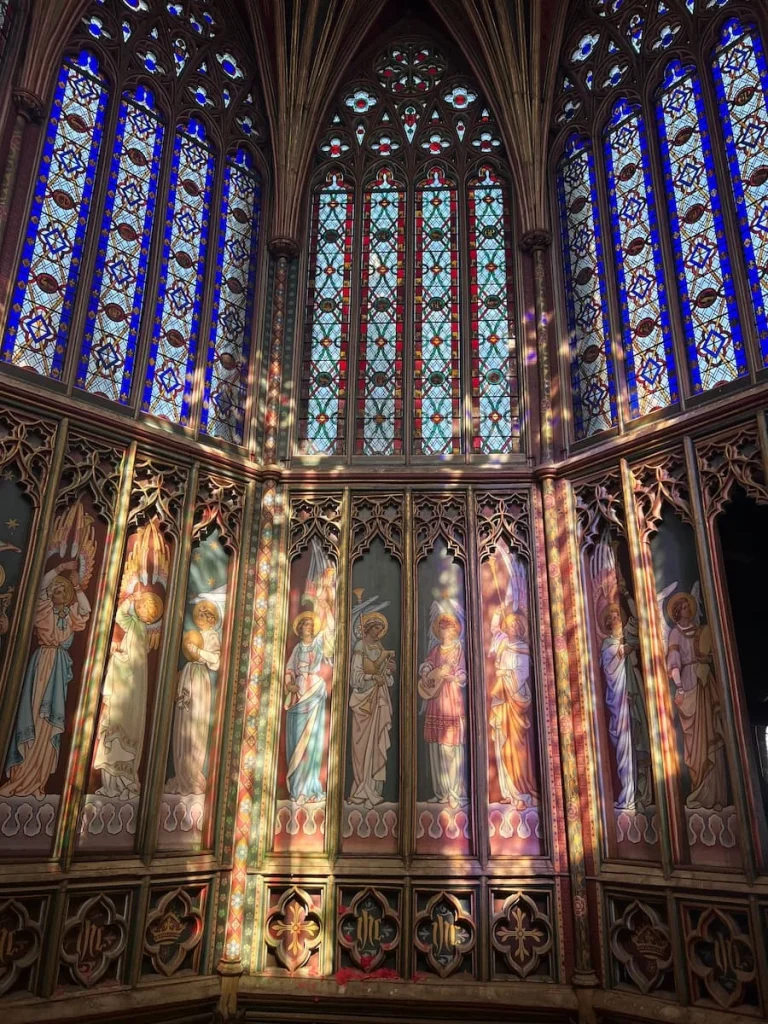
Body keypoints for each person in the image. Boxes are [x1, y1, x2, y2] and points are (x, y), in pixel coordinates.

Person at [1, 563, 90, 798]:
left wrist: (78, 587)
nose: (56, 594)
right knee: (32, 713)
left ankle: (38, 780)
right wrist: (59, 568)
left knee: (50, 722)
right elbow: (40, 588)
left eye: (61, 591)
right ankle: (21, 774)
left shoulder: (70, 614)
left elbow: (86, 610)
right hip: (42, 663)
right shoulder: (44, 609)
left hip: (59, 668)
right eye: (55, 591)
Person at [93, 583, 164, 800]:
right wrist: (131, 600)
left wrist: (116, 656)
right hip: (124, 688)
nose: (140, 608)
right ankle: (110, 785)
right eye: (141, 605)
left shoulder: (139, 631)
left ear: (150, 617)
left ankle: (125, 783)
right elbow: (121, 616)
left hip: (128, 690)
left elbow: (133, 663)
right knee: (113, 731)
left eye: (145, 607)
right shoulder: (134, 625)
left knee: (121, 732)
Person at [666, 592, 729, 810]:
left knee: (713, 731)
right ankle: (699, 790)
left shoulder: (701, 629)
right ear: (676, 612)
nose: (687, 609)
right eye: (682, 607)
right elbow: (673, 664)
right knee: (695, 744)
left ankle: (717, 795)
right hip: (689, 682)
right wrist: (680, 689)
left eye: (688, 606)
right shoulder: (675, 634)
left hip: (704, 681)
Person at [167, 600, 221, 796]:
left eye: (207, 614)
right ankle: (181, 774)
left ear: (214, 620)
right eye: (200, 613)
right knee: (183, 723)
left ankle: (192, 774)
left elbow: (216, 660)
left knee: (196, 724)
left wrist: (197, 651)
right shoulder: (191, 635)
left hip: (200, 679)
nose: (203, 617)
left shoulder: (212, 637)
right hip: (188, 675)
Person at [489, 609, 538, 809]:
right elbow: (493, 629)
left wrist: (505, 673)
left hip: (515, 700)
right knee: (501, 742)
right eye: (509, 624)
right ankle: (509, 791)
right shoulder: (503, 643)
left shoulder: (523, 650)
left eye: (516, 625)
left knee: (516, 747)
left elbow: (522, 674)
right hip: (503, 702)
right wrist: (497, 614)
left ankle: (522, 793)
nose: (512, 627)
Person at [418, 613, 467, 808]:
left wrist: (454, 678)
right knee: (436, 746)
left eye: (449, 628)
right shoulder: (435, 649)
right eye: (442, 628)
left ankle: (454, 791)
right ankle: (441, 792)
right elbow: (428, 665)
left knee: (450, 746)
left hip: (451, 698)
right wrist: (425, 672)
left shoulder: (459, 650)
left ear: (455, 630)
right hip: (436, 699)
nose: (445, 631)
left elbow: (462, 673)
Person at [348, 611, 394, 808]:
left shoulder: (379, 646)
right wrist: (372, 677)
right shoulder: (360, 646)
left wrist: (387, 672)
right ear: (368, 628)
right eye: (376, 628)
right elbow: (355, 677)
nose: (379, 632)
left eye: (381, 629)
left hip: (378, 698)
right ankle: (361, 788)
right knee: (361, 747)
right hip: (362, 702)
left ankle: (373, 790)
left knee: (376, 744)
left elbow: (384, 676)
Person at [284, 610, 330, 803]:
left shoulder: (318, 647)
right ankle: (298, 788)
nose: (307, 628)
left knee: (313, 742)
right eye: (304, 625)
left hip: (315, 691)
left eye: (310, 625)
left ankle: (311, 786)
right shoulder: (297, 649)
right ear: (299, 629)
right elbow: (289, 669)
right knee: (298, 740)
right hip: (300, 694)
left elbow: (327, 650)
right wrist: (289, 684)